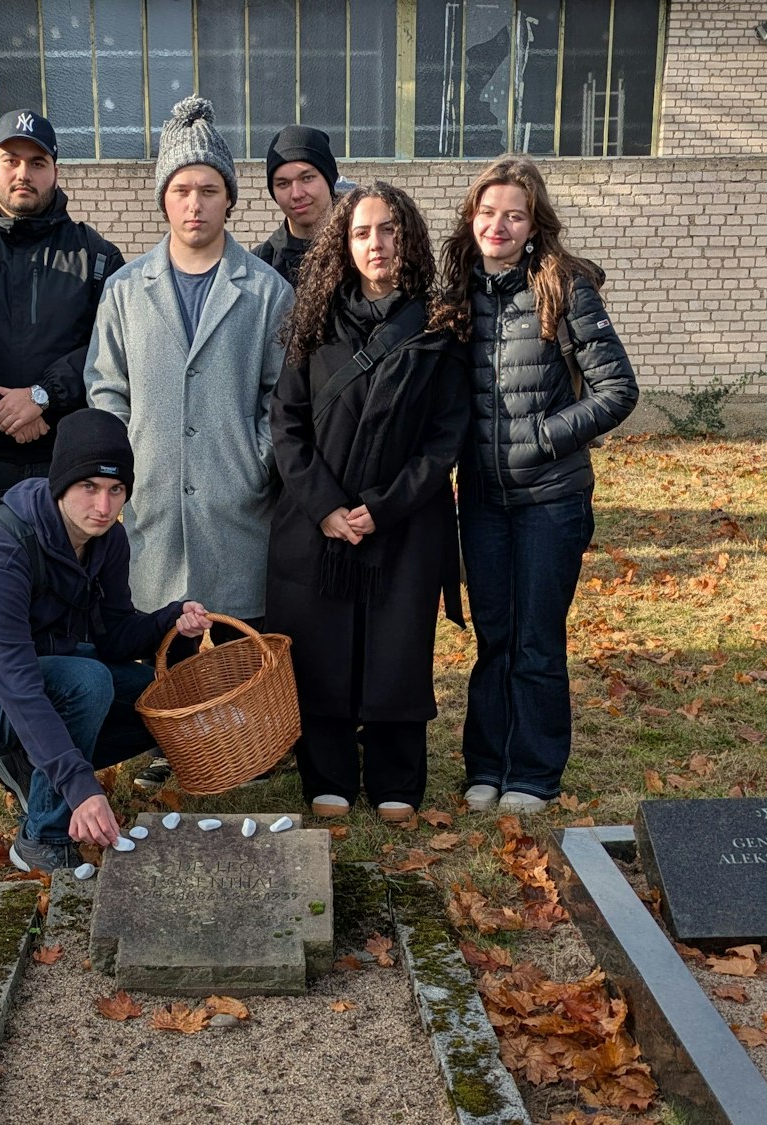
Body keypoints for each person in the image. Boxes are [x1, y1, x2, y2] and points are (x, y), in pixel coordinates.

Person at [84, 95, 293, 790]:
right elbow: (105, 387)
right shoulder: (126, 290)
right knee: (159, 622)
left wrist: (254, 461)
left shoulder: (265, 291)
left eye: (208, 189)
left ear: (229, 198)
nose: (194, 204)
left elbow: (281, 395)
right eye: (181, 190)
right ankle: (166, 741)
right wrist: (124, 468)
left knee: (233, 620)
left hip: (236, 491)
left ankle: (244, 741)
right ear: (163, 200)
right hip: (151, 492)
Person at [0, 409, 211, 873]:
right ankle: (42, 837)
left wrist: (172, 622)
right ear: (60, 484)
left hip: (44, 668)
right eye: (89, 487)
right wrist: (81, 787)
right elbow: (17, 683)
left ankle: (32, 760)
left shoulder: (107, 539)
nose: (103, 506)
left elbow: (113, 638)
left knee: (156, 697)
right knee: (86, 682)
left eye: (116, 490)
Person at [430, 155, 639, 814]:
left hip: (552, 499)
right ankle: (485, 767)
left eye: (514, 215)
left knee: (537, 640)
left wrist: (545, 437)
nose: (499, 225)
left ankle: (534, 774)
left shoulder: (565, 288)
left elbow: (618, 390)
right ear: (472, 218)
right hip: (482, 500)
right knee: (494, 636)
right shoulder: (454, 295)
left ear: (533, 224)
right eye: (488, 212)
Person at [269, 181, 468, 823]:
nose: (376, 244)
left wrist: (385, 505)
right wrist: (326, 506)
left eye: (388, 230)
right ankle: (327, 774)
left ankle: (395, 778)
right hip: (318, 522)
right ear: (344, 245)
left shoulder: (438, 326)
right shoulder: (314, 323)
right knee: (320, 646)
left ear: (408, 239)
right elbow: (287, 424)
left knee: (398, 648)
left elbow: (445, 436)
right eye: (361, 232)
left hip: (404, 520)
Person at [0, 109, 121, 502]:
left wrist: (43, 395)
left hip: (63, 462)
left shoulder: (97, 257)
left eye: (37, 163)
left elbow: (108, 347)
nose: (23, 174)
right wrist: (1, 407)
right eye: (11, 161)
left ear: (55, 172)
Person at [253, 125, 340, 286]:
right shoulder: (258, 267)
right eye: (283, 184)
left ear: (329, 179)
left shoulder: (366, 251)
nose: (296, 194)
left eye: (307, 178)